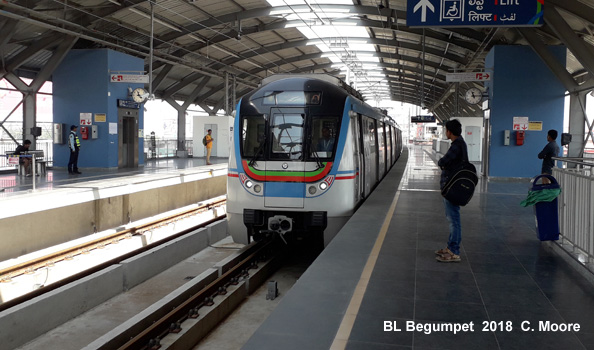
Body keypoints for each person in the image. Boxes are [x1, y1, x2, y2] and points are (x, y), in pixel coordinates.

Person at [435, 119, 468, 263]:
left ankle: (454, 251)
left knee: (454, 220)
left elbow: (443, 161)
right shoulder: (460, 143)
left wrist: (443, 165)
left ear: (449, 131)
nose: (445, 132)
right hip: (454, 186)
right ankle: (450, 247)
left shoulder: (456, 145)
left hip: (452, 187)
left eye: (446, 130)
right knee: (452, 218)